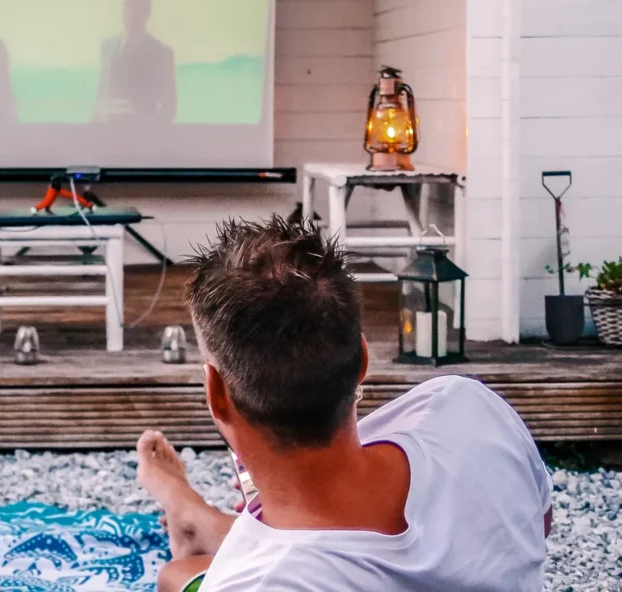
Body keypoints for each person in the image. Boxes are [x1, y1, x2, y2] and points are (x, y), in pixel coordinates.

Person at [137, 217, 552, 591]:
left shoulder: (254, 582)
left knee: (173, 578)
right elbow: (538, 524)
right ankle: (201, 520)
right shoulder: (464, 407)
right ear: (362, 359)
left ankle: (193, 514)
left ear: (217, 394)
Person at [96, 0, 177, 123]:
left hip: (140, 136)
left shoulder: (160, 53)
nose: (129, 12)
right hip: (105, 134)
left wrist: (148, 135)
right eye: (126, 5)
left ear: (147, 12)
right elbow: (101, 91)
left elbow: (169, 106)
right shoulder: (107, 46)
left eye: (136, 7)